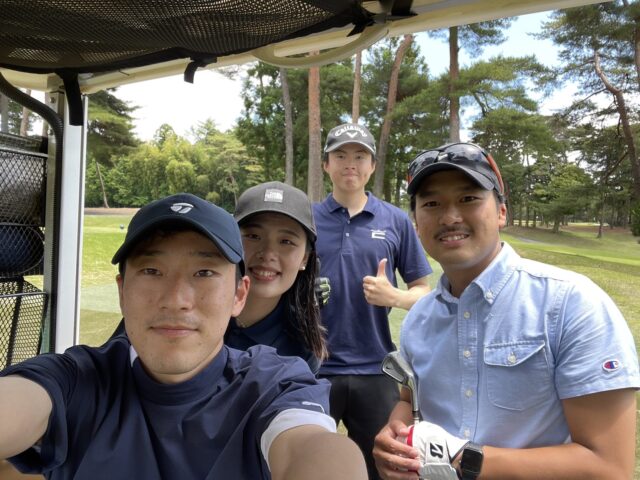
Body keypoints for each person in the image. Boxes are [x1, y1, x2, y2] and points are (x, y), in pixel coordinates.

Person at [0, 192, 367, 480]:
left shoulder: (275, 383)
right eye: (151, 270)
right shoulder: (77, 379)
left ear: (239, 294)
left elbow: (312, 446)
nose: (176, 300)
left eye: (204, 272)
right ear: (122, 291)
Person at [373, 142, 640, 479]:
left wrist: (463, 459)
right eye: (432, 203)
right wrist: (396, 435)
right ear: (416, 222)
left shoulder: (572, 304)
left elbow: (609, 467)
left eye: (468, 198)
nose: (450, 217)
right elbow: (409, 400)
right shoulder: (418, 319)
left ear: (501, 212)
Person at [313, 123, 433, 479]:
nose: (350, 163)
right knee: (308, 465)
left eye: (360, 155)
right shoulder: (307, 220)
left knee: (386, 467)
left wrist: (394, 296)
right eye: (340, 155)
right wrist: (301, 293)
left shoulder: (395, 220)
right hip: (314, 367)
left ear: (372, 166)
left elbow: (423, 291)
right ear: (326, 164)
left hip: (376, 368)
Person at [225, 181, 327, 374]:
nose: (268, 253)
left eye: (286, 241)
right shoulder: (194, 314)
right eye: (253, 236)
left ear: (304, 258)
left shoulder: (301, 350)